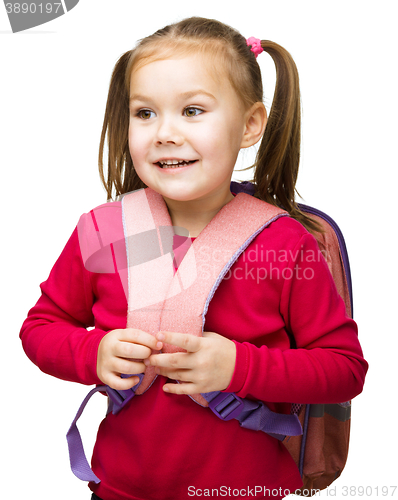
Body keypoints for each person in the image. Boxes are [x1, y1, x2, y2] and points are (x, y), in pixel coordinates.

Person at [19, 16, 368, 500]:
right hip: (119, 489)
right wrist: (90, 353)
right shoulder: (105, 231)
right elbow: (41, 327)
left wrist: (239, 368)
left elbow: (344, 369)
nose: (164, 132)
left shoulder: (286, 245)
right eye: (144, 113)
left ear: (250, 126)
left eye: (192, 110)